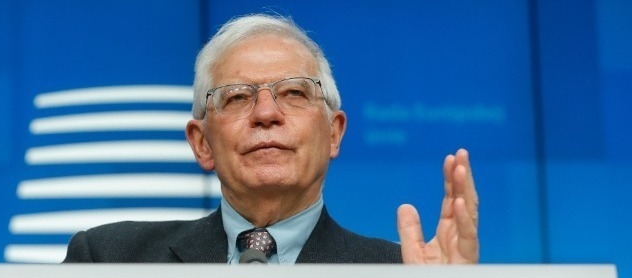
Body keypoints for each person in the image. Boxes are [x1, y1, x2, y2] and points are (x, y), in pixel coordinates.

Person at [63, 13, 479, 265]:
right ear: (202, 143)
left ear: (334, 133)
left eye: (294, 93)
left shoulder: (403, 276)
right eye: (237, 97)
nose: (266, 114)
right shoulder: (109, 259)